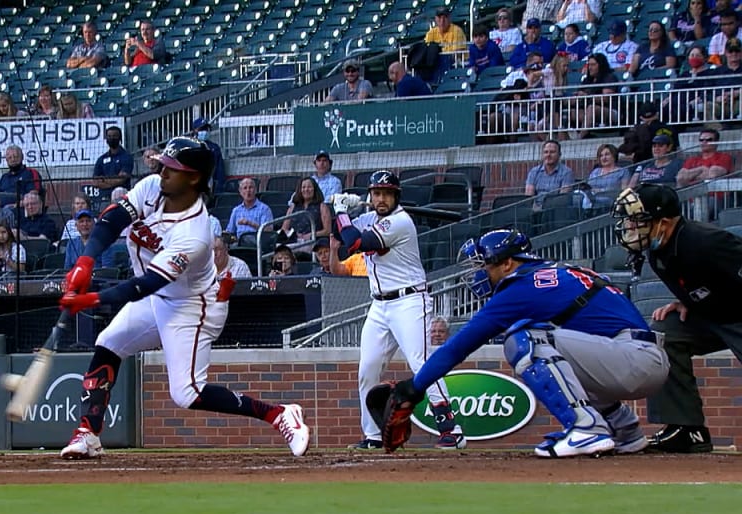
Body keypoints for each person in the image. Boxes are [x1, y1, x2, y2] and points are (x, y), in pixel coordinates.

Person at [55, 137, 310, 458]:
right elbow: (112, 220)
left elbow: (146, 283)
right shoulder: (153, 188)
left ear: (193, 178)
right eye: (163, 166)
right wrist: (86, 261)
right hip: (156, 298)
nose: (162, 172)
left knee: (187, 394)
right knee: (108, 343)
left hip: (189, 307)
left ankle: (279, 414)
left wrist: (89, 299)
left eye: (171, 169)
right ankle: (88, 433)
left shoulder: (195, 233)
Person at [373, 228, 668, 457]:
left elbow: (458, 347)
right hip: (635, 356)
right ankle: (624, 431)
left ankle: (586, 428)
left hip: (633, 359)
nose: (479, 272)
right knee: (555, 350)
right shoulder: (550, 271)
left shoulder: (520, 287)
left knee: (523, 339)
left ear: (508, 263)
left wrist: (413, 387)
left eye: (484, 264)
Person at [333, 170, 464, 450]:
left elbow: (357, 243)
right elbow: (339, 234)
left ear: (396, 197)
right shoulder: (371, 217)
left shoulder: (400, 222)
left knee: (422, 364)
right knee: (367, 369)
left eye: (387, 194)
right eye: (377, 193)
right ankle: (373, 436)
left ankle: (451, 428)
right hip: (379, 305)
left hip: (409, 301)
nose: (381, 199)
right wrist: (341, 209)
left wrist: (342, 213)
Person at [612, 184, 734, 453]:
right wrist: (687, 300)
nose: (630, 226)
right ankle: (686, 430)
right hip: (712, 314)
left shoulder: (707, 240)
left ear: (664, 222)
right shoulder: (657, 250)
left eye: (637, 220)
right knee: (665, 334)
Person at [280, 177, 331, 245]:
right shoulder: (293, 207)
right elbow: (284, 229)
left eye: (309, 187)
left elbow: (327, 231)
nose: (306, 189)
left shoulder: (322, 206)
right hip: (293, 241)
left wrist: (310, 235)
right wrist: (294, 235)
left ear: (314, 189)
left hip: (312, 242)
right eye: (303, 187)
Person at [525, 140, 575, 208]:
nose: (548, 155)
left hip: (555, 210)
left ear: (559, 155)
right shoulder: (534, 172)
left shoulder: (567, 172)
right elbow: (528, 197)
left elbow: (563, 198)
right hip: (535, 210)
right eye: (546, 152)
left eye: (552, 152)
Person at [92, 126, 133, 202]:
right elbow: (95, 181)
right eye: (109, 136)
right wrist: (113, 181)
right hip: (104, 197)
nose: (112, 138)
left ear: (120, 138)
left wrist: (104, 181)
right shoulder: (101, 159)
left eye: (114, 136)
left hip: (121, 196)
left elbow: (121, 179)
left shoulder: (127, 157)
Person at [585, 143, 630, 210]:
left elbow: (624, 191)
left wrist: (601, 191)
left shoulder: (622, 172)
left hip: (612, 201)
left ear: (614, 156)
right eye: (601, 156)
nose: (604, 158)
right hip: (592, 200)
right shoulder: (595, 171)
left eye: (607, 154)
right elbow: (588, 187)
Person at [190, 117, 226, 195]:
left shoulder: (214, 148)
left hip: (209, 186)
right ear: (195, 130)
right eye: (202, 129)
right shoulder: (188, 146)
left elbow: (220, 172)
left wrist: (218, 191)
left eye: (206, 129)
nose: (205, 131)